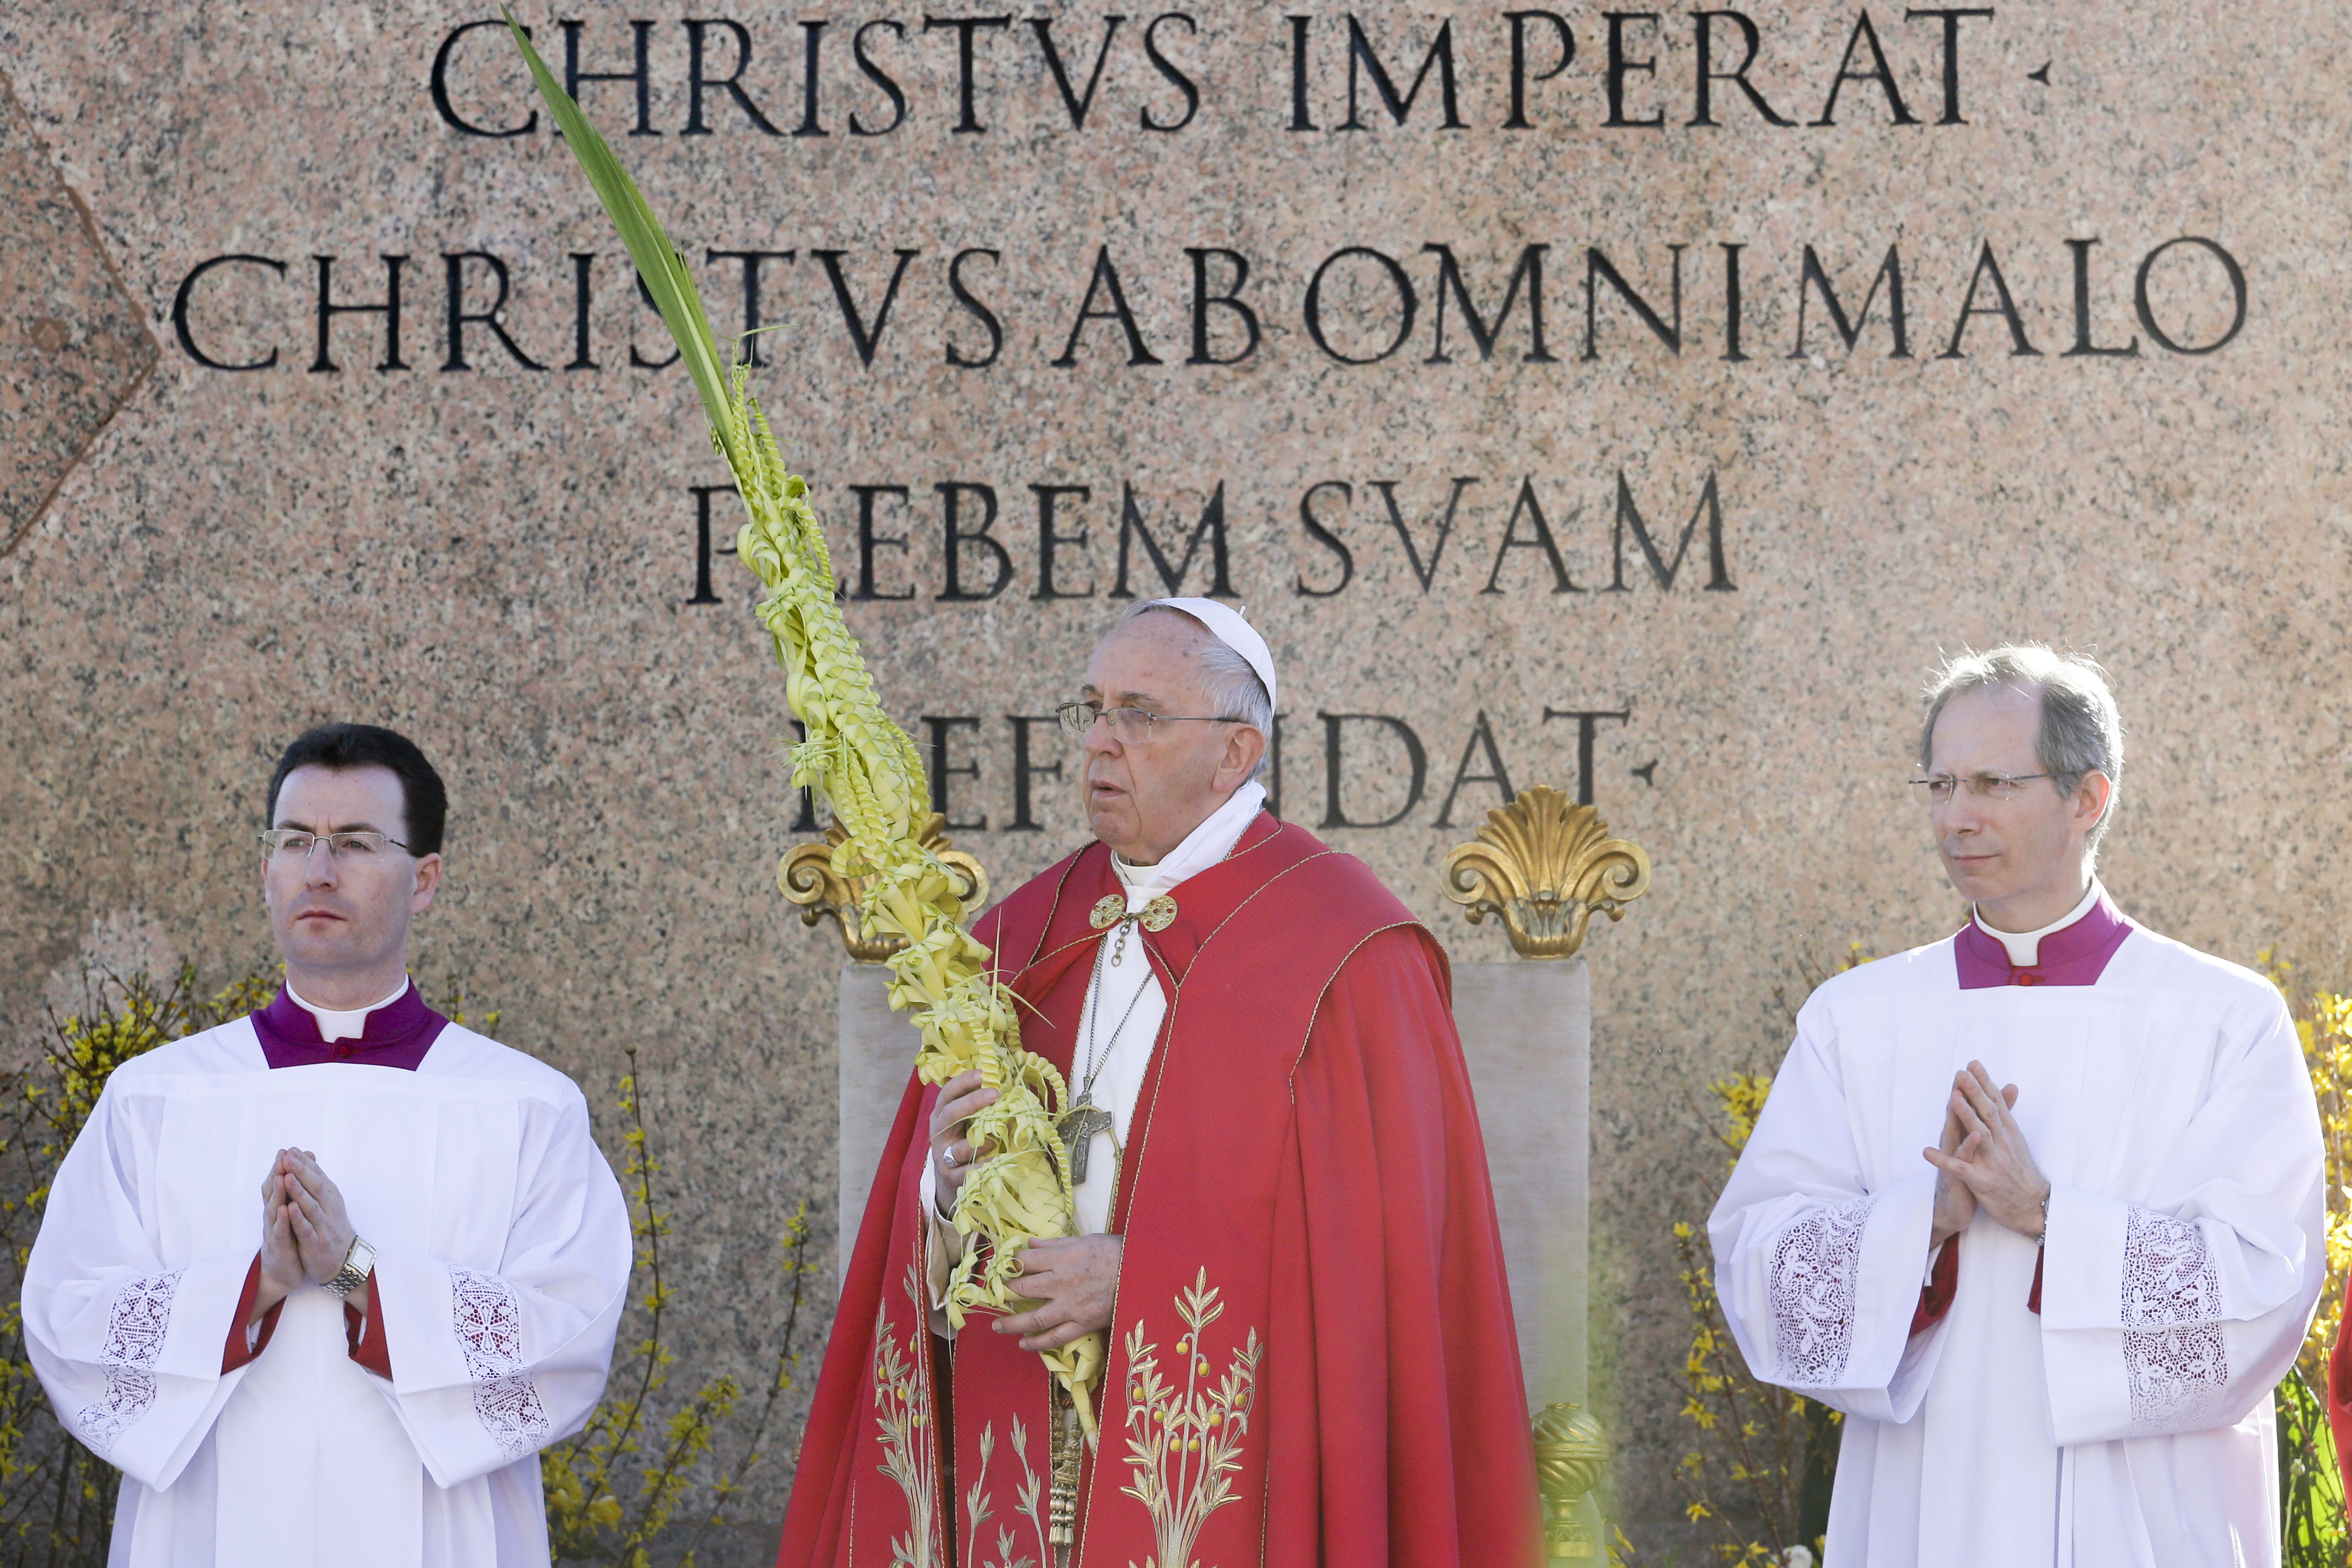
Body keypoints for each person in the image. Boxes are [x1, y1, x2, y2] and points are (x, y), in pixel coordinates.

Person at [778, 600, 1543, 1567]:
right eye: (1092, 710)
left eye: (1140, 714)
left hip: (1244, 1469)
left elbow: (1378, 1263)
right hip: (1017, 1444)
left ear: (1235, 752)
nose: (1101, 742)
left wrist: (1138, 1279)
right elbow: (921, 1219)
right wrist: (944, 1187)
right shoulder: (1023, 935)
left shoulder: (1347, 953)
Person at [1711, 646, 2324, 1566]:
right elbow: (1760, 1266)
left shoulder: (2222, 1019)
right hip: (1924, 1494)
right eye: (1940, 784)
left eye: (1993, 783)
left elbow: (2266, 1288)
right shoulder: (1857, 1019)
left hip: (2138, 1512)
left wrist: (2048, 1219)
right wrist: (1920, 1222)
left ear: (2088, 799)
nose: (1956, 818)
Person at [24, 723, 633, 1566]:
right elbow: (69, 1320)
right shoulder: (157, 1099)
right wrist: (257, 1284)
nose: (319, 870)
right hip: (206, 1529)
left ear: (424, 881)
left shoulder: (522, 1107)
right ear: (264, 871)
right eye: (295, 841)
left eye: (353, 843)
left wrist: (356, 1271)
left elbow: (567, 1337)